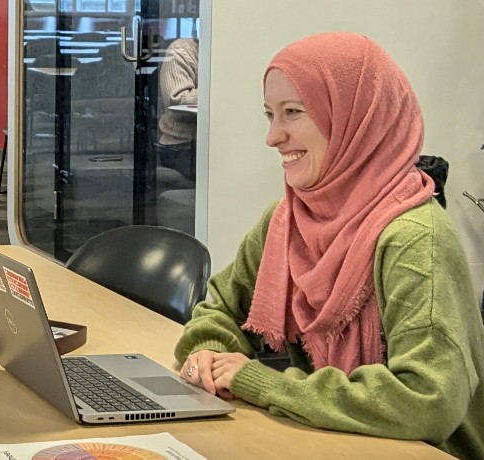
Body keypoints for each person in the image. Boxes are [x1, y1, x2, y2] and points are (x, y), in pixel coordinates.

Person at [174, 32, 483, 459]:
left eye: (293, 113)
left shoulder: (416, 238)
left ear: (356, 119)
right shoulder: (288, 219)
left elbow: (428, 400)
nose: (272, 137)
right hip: (327, 441)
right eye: (269, 115)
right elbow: (222, 309)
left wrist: (266, 383)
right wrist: (210, 350)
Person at [156, 37, 198, 181]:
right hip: (181, 145)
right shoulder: (181, 49)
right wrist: (222, 89)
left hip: (217, 139)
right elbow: (177, 101)